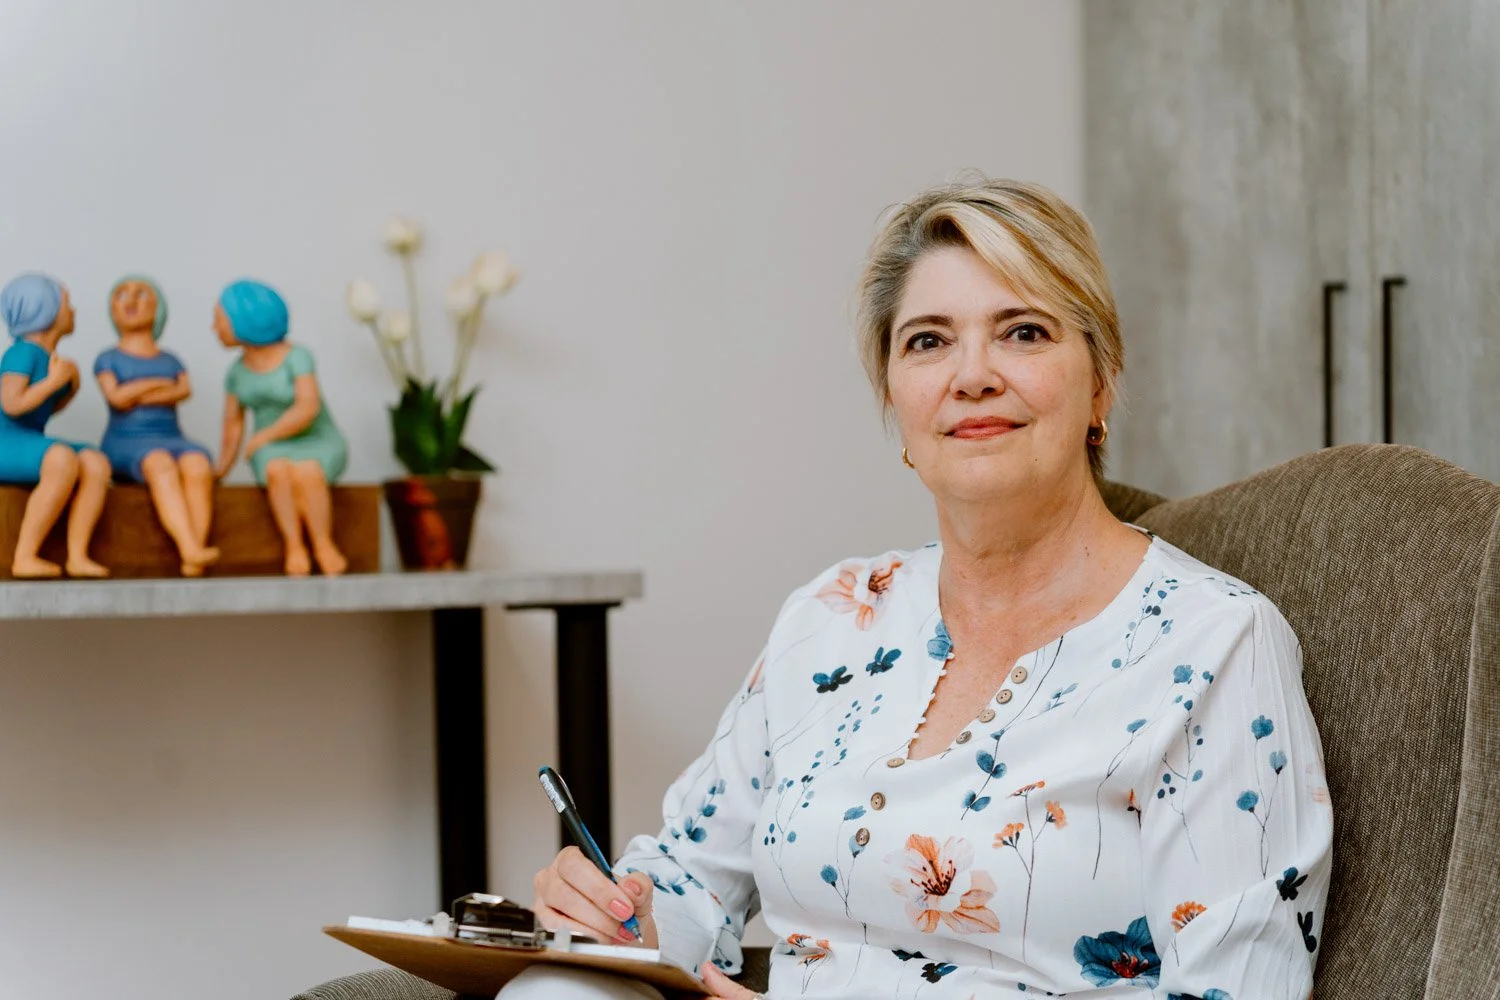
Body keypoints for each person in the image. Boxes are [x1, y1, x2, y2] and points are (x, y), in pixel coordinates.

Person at [519, 179, 1334, 1000]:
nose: (972, 375)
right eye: (928, 342)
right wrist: (621, 916)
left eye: (1023, 331)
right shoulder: (833, 616)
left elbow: (1238, 989)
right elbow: (690, 876)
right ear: (894, 398)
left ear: (1102, 384)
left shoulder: (1217, 645)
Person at [214, 279, 349, 576]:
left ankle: (324, 545)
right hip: (272, 449)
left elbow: (307, 407)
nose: (215, 328)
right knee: (278, 472)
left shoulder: (297, 357)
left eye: (219, 320)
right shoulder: (236, 373)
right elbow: (233, 426)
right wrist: (220, 470)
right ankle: (294, 547)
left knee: (309, 473)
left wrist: (264, 436)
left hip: (315, 439)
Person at [94, 276, 220, 576]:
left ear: (158, 307)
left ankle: (194, 554)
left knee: (198, 464)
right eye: (121, 295)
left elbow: (182, 391)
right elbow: (118, 398)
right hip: (127, 442)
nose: (131, 301)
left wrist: (136, 391)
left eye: (141, 294)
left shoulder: (171, 359)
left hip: (172, 437)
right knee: (160, 464)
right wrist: (157, 385)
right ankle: (188, 545)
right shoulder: (108, 358)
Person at [0, 273, 111, 578]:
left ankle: (78, 555)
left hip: (28, 438)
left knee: (95, 462)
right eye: (67, 302)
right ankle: (24, 556)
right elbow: (11, 404)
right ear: (45, 308)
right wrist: (54, 382)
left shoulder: (49, 357)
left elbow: (45, 407)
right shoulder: (21, 352)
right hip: (5, 442)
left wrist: (69, 387)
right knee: (61, 458)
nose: (73, 310)